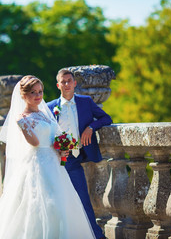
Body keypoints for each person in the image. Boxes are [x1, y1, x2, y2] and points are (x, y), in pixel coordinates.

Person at [0, 75, 96, 239]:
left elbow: (56, 135)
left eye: (40, 92)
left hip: (54, 164)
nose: (38, 96)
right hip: (37, 164)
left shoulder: (45, 114)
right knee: (37, 203)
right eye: (33, 92)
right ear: (23, 95)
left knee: (60, 203)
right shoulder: (22, 118)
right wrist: (24, 124)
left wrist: (62, 148)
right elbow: (34, 142)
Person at [47, 69, 112, 239]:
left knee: (83, 200)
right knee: (59, 203)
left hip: (76, 159)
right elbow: (46, 135)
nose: (67, 84)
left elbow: (106, 119)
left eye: (70, 81)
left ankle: (97, 236)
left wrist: (91, 128)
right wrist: (57, 146)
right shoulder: (50, 107)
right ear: (58, 85)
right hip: (58, 161)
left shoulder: (85, 102)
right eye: (63, 81)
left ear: (75, 83)